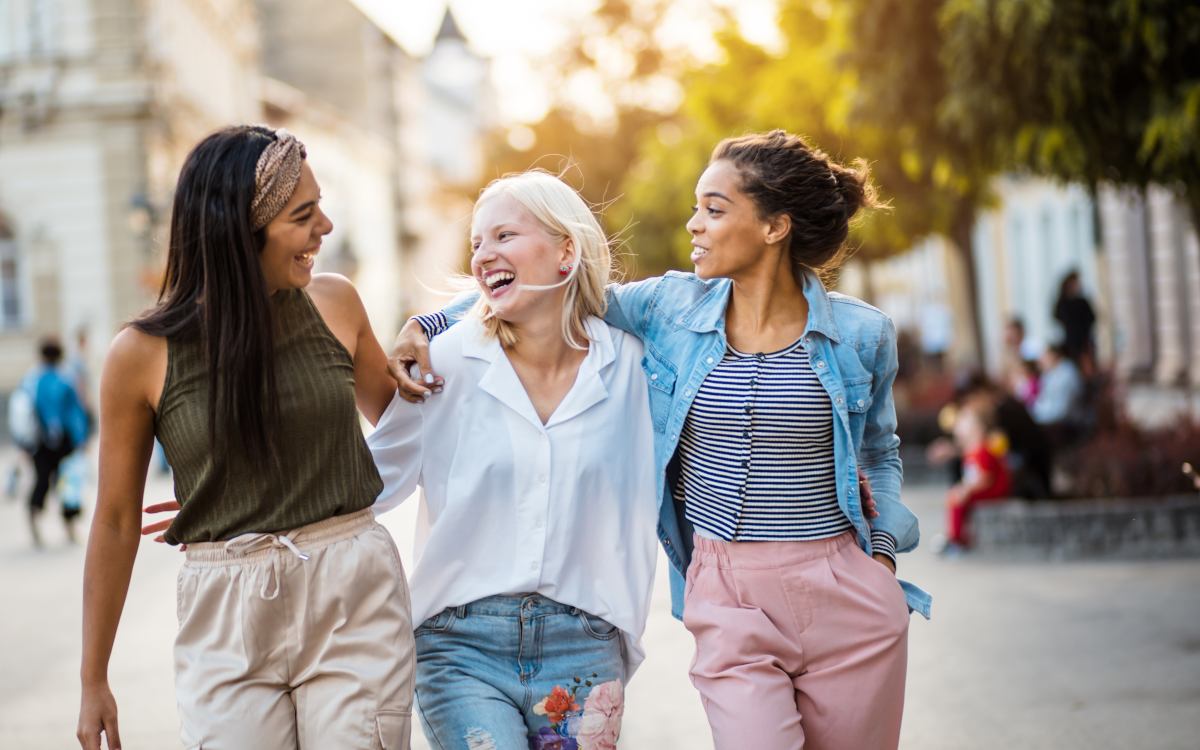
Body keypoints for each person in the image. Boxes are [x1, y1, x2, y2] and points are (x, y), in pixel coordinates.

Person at [397, 130, 927, 750]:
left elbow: (878, 452)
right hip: (727, 595)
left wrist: (883, 558)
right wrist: (427, 323)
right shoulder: (670, 309)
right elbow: (549, 290)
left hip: (846, 590)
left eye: (714, 208)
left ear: (774, 227)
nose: (693, 224)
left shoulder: (862, 334)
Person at [78, 126, 415, 750]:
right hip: (225, 612)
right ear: (241, 230)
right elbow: (117, 519)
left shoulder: (336, 304)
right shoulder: (140, 354)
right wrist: (93, 677)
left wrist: (427, 328)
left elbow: (413, 429)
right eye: (303, 215)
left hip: (351, 596)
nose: (327, 228)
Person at [367, 171, 659, 749]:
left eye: (503, 235)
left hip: (585, 645)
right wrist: (244, 501)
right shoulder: (444, 361)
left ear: (565, 251)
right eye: (476, 243)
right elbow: (365, 481)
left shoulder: (633, 368)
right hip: (459, 645)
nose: (483, 256)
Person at [21, 336, 89, 546]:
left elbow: (23, 412)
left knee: (41, 481)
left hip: (39, 442)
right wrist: (81, 440)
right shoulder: (67, 377)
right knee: (67, 482)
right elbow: (76, 412)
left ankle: (34, 521)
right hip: (65, 441)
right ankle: (69, 527)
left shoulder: (32, 379)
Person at [939, 402, 1011, 552]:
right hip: (981, 488)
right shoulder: (971, 450)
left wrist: (966, 488)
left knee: (957, 496)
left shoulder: (982, 449)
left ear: (978, 427)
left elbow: (984, 478)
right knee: (955, 495)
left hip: (993, 489)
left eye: (964, 422)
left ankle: (957, 540)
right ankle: (954, 536)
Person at [1032, 345, 1085, 442]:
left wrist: (1039, 417)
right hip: (1051, 416)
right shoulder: (1049, 373)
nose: (1040, 361)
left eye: (1044, 356)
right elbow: (1043, 400)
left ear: (1053, 355)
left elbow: (1063, 409)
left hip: (1066, 422)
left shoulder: (1067, 373)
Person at [1053, 271, 1096, 369]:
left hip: (1084, 342)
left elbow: (1092, 319)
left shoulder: (1082, 302)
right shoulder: (1063, 303)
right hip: (1069, 342)